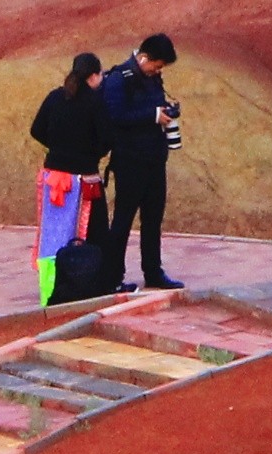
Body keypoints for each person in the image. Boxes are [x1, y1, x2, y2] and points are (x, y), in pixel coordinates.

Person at [97, 32, 182, 290]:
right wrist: (152, 115)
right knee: (123, 219)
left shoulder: (152, 79)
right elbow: (114, 116)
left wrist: (166, 112)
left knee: (153, 219)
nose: (158, 71)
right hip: (130, 161)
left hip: (155, 159)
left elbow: (151, 108)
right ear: (143, 57)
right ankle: (112, 277)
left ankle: (153, 272)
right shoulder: (119, 78)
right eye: (156, 66)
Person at [28, 50, 110, 301]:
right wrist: (88, 155)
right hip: (84, 179)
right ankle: (92, 284)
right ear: (94, 76)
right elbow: (106, 141)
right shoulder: (96, 103)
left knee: (54, 234)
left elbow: (37, 129)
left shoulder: (55, 97)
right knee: (95, 234)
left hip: (54, 177)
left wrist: (58, 147)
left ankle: (52, 285)